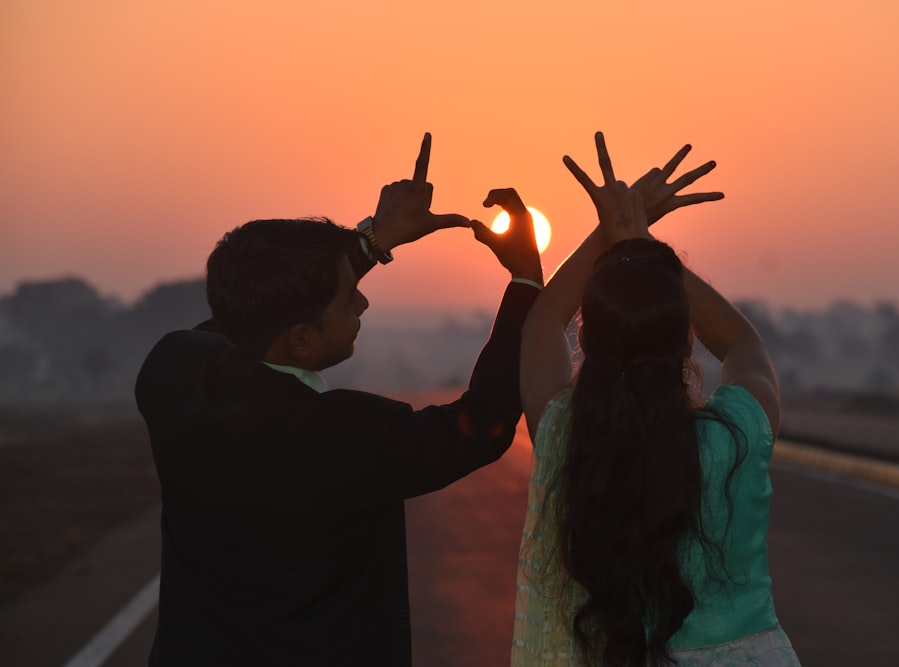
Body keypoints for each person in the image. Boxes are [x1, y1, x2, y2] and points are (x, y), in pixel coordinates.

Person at [135, 133, 543, 666]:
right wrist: (526, 279)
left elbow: (244, 317)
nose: (364, 300)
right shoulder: (347, 437)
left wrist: (374, 242)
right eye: (348, 298)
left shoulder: (170, 371)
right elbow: (482, 423)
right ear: (301, 339)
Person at [512, 133, 800, 666]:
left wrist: (613, 238)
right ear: (686, 338)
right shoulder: (737, 434)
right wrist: (643, 246)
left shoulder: (561, 436)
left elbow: (542, 322)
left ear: (589, 342)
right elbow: (743, 345)